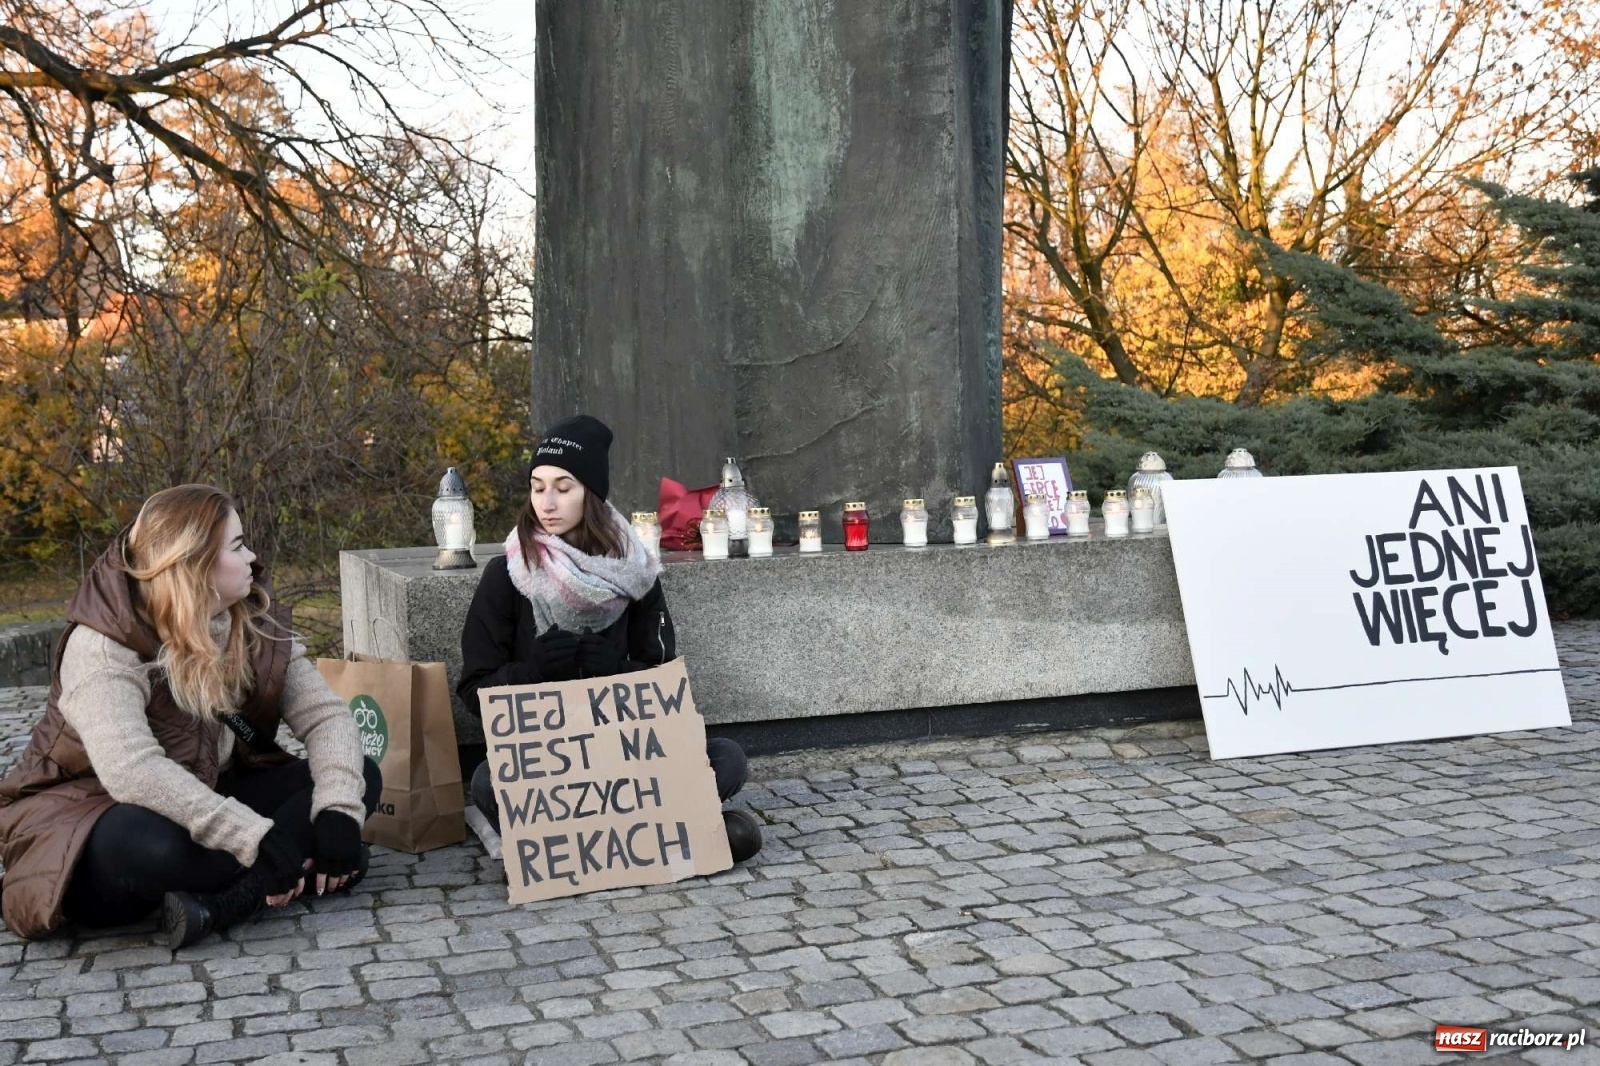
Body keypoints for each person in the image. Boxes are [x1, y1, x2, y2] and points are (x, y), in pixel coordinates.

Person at [0, 485, 382, 949]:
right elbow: (131, 771)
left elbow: (325, 718)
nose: (253, 558)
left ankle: (226, 901)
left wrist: (339, 813)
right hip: (85, 818)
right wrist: (254, 836)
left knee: (357, 774)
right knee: (150, 843)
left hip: (202, 798)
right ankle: (282, 866)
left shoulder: (250, 619)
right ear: (193, 563)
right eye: (238, 546)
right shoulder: (102, 644)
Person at [458, 415, 762, 863]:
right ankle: (681, 831)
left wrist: (618, 673)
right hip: (547, 762)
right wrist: (532, 671)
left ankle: (585, 838)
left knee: (727, 758)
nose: (548, 502)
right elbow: (472, 690)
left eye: (564, 487)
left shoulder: (635, 573)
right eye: (538, 486)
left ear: (591, 493)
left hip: (627, 757)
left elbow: (666, 682)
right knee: (489, 781)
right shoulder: (507, 572)